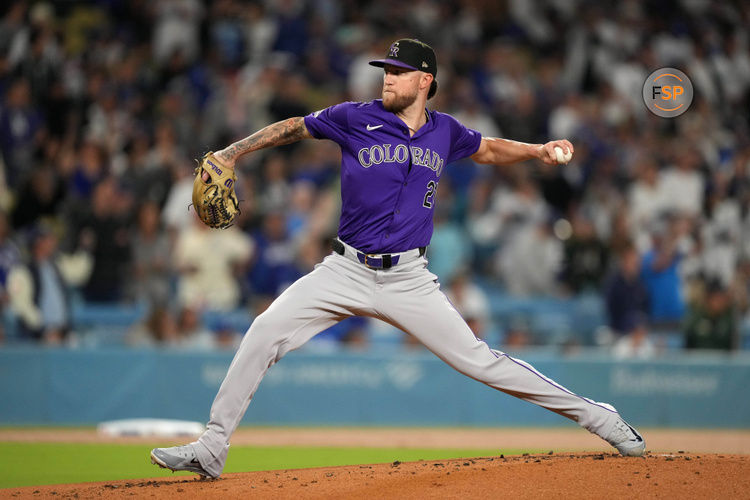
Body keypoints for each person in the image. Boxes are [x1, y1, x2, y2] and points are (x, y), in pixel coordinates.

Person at [150, 39, 645, 478]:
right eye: (385, 70)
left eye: (397, 71)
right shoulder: (354, 117)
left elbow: (489, 149)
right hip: (344, 268)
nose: (387, 77)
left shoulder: (444, 132)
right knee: (263, 331)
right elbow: (294, 128)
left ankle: (601, 417)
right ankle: (213, 446)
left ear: (424, 80)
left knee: (481, 362)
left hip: (408, 277)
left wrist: (538, 150)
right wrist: (233, 152)